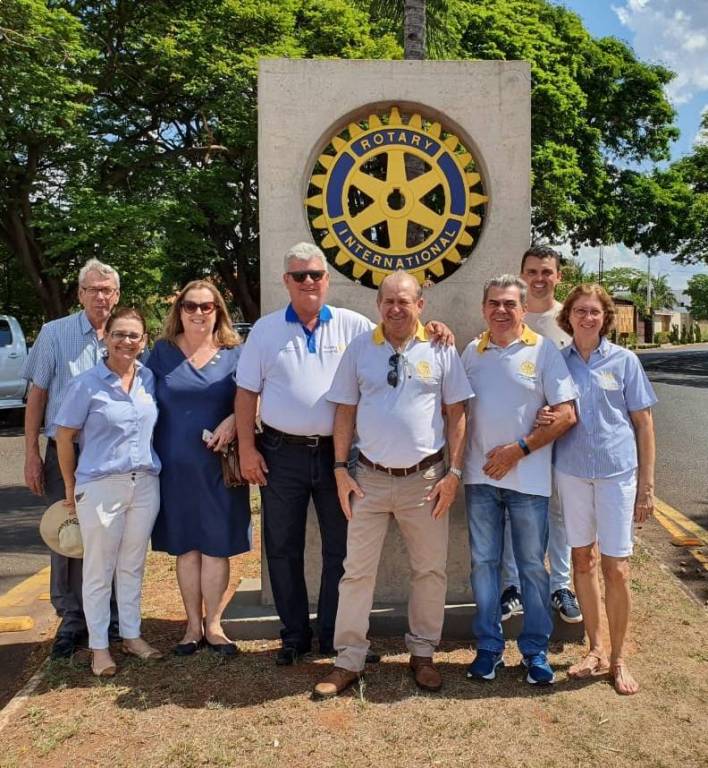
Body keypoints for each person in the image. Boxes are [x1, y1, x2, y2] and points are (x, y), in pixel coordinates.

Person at [236, 242, 453, 666]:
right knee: (281, 546)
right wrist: (246, 447)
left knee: (341, 550)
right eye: (300, 275)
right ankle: (294, 636)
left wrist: (435, 328)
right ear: (286, 281)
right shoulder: (265, 330)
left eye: (316, 274)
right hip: (280, 454)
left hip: (338, 458)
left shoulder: (352, 325)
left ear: (327, 279)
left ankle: (335, 638)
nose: (309, 282)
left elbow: (398, 331)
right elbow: (246, 393)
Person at [312, 271, 472, 699]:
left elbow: (457, 413)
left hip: (426, 481)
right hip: (368, 479)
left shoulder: (440, 347)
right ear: (378, 305)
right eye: (389, 301)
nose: (396, 308)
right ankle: (348, 659)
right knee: (356, 573)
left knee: (430, 571)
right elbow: (345, 411)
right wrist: (340, 469)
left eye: (405, 301)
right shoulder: (360, 348)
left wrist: (454, 474)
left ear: (421, 305)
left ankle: (423, 654)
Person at [462, 275, 577, 685]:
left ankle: (535, 651)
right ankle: (488, 648)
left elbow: (567, 414)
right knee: (484, 565)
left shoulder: (544, 351)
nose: (501, 310)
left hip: (528, 482)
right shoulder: (471, 353)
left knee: (531, 567)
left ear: (523, 309)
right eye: (494, 303)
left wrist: (519, 450)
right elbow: (455, 410)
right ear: (483, 308)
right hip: (479, 480)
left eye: (510, 303)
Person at [552, 284, 656, 695]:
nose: (587, 317)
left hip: (617, 474)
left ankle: (618, 658)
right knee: (582, 560)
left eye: (594, 311)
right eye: (580, 310)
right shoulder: (558, 362)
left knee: (617, 568)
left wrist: (646, 486)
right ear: (568, 316)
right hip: (573, 472)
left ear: (605, 317)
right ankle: (594, 649)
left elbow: (643, 424)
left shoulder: (625, 361)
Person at [22, 258, 121, 659]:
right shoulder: (55, 334)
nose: (100, 297)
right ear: (80, 294)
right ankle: (71, 619)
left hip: (109, 455)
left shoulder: (124, 336)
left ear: (116, 296)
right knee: (68, 533)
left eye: (107, 290)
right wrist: (30, 453)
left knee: (109, 534)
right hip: (65, 451)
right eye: (93, 289)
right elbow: (37, 397)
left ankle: (111, 617)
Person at [54, 307, 162, 676]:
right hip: (100, 486)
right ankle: (99, 647)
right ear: (106, 338)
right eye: (119, 334)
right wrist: (70, 485)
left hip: (144, 484)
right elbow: (64, 437)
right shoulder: (86, 384)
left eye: (133, 335)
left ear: (143, 341)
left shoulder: (148, 379)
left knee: (132, 564)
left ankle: (131, 636)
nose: (126, 341)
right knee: (99, 570)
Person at [146, 281, 250, 656]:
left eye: (207, 306)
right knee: (186, 546)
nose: (198, 313)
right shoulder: (161, 353)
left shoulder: (236, 353)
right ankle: (192, 626)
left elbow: (253, 397)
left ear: (219, 310)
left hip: (220, 466)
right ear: (180, 310)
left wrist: (234, 421)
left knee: (216, 545)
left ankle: (214, 624)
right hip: (174, 467)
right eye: (190, 306)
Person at [498, 245, 582, 624]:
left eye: (547, 272)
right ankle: (512, 586)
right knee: (512, 513)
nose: (539, 278)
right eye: (532, 271)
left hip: (562, 435)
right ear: (522, 274)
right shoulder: (509, 315)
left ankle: (560, 586)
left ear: (558, 276)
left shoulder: (569, 320)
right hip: (518, 437)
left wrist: (557, 410)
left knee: (558, 513)